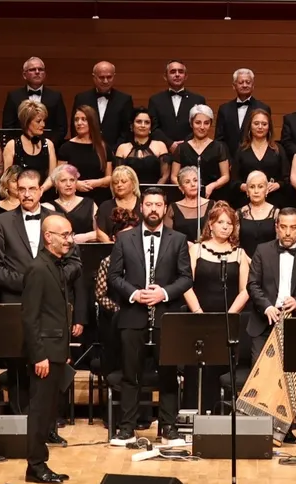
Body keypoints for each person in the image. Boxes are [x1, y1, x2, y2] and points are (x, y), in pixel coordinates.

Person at [105, 188, 194, 445]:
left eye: (158, 204)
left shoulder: (179, 239)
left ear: (165, 209)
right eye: (149, 204)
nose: (153, 209)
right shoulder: (124, 239)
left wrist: (163, 293)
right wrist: (135, 294)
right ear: (141, 207)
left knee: (168, 374)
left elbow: (186, 278)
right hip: (133, 315)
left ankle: (168, 428)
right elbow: (113, 277)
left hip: (166, 316)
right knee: (130, 374)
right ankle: (126, 429)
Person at [0, 168, 75, 419]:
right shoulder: (2, 221)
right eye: (22, 189)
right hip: (16, 302)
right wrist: (30, 283)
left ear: (40, 190)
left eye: (32, 189)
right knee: (18, 366)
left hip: (53, 306)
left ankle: (49, 427)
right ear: (15, 190)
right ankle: (21, 426)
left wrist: (48, 280)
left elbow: (75, 263)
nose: (26, 194)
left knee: (52, 369)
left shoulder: (58, 218)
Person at [245, 208, 296, 442]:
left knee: (290, 378)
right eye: (284, 227)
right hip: (264, 322)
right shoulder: (262, 250)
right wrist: (266, 306)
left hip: (295, 323)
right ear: (276, 227)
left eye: (293, 227)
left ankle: (284, 429)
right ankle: (259, 431)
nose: (288, 232)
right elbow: (252, 284)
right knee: (263, 378)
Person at [21, 214, 79, 484]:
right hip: (44, 353)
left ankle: (40, 463)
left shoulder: (55, 265)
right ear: (48, 237)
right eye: (65, 235)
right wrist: (39, 355)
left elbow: (57, 313)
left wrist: (64, 349)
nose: (70, 240)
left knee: (49, 411)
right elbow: (30, 317)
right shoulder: (38, 268)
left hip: (56, 349)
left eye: (70, 234)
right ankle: (35, 466)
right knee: (40, 411)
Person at [180, 202, 249, 415]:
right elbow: (186, 284)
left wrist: (230, 315)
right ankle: (194, 415)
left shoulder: (240, 254)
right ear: (210, 224)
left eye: (230, 223)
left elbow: (246, 290)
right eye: (221, 222)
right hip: (199, 317)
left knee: (221, 366)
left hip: (227, 320)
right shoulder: (197, 249)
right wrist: (198, 313)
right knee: (197, 368)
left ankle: (220, 415)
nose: (225, 227)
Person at [170, 105, 230, 201]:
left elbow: (225, 176)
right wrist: (184, 188)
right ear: (191, 124)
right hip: (187, 198)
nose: (202, 127)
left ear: (210, 124)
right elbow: (174, 176)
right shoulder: (182, 148)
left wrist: (213, 185)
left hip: (213, 197)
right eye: (198, 123)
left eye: (206, 123)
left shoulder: (219, 147)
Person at [58, 105, 112, 204]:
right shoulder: (66, 148)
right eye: (76, 120)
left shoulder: (103, 147)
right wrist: (76, 184)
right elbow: (59, 176)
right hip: (74, 199)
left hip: (100, 199)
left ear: (92, 122)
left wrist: (96, 183)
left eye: (84, 119)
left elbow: (109, 177)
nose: (79, 123)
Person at [4, 100, 57, 192]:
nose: (43, 124)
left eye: (43, 121)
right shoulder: (11, 146)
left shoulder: (49, 144)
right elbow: (7, 179)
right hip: (19, 194)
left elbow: (52, 176)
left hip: (43, 193)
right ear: (27, 122)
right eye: (38, 121)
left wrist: (40, 190)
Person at [113, 108, 169, 185]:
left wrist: (154, 189)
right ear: (131, 126)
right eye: (139, 122)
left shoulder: (160, 146)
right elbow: (118, 176)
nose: (143, 125)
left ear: (151, 127)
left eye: (147, 122)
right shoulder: (122, 148)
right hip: (128, 191)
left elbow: (165, 176)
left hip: (156, 190)